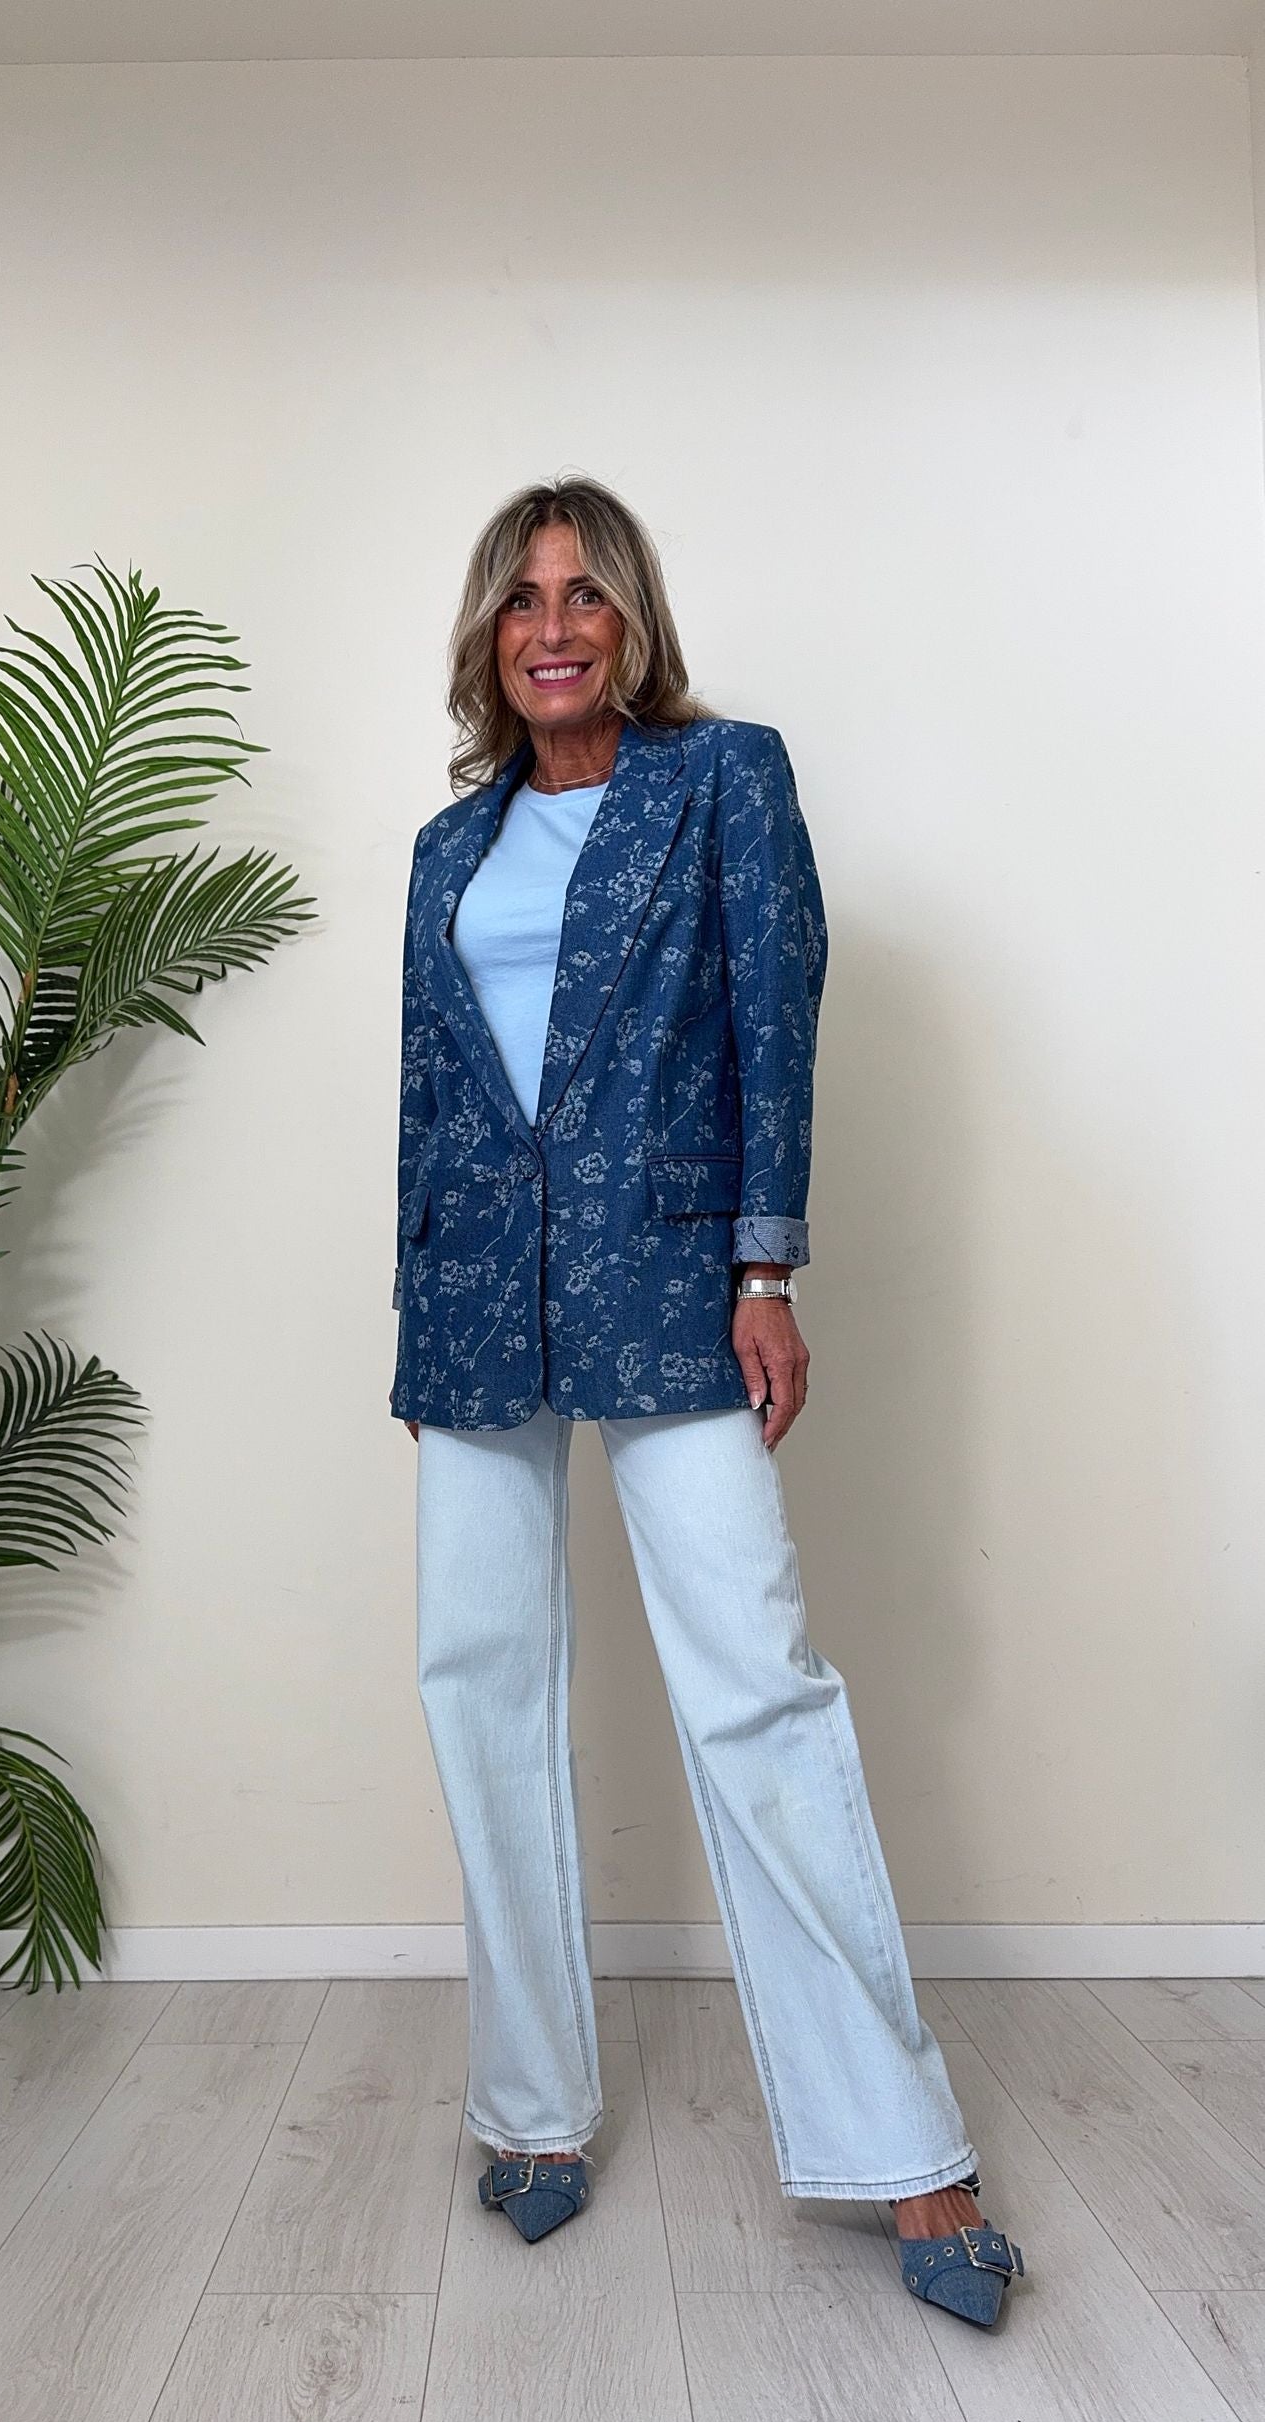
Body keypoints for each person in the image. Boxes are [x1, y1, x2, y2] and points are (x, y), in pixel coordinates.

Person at [389, 473, 1026, 2326]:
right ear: (491, 636)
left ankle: (904, 2150)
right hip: (477, 1301)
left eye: (584, 593)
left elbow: (777, 1019)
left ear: (633, 620)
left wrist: (767, 1269)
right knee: (478, 1679)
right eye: (523, 599)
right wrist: (419, 1324)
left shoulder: (724, 778)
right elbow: (431, 1095)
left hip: (672, 1276)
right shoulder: (447, 846)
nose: (553, 627)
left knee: (757, 1684)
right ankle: (531, 2107)